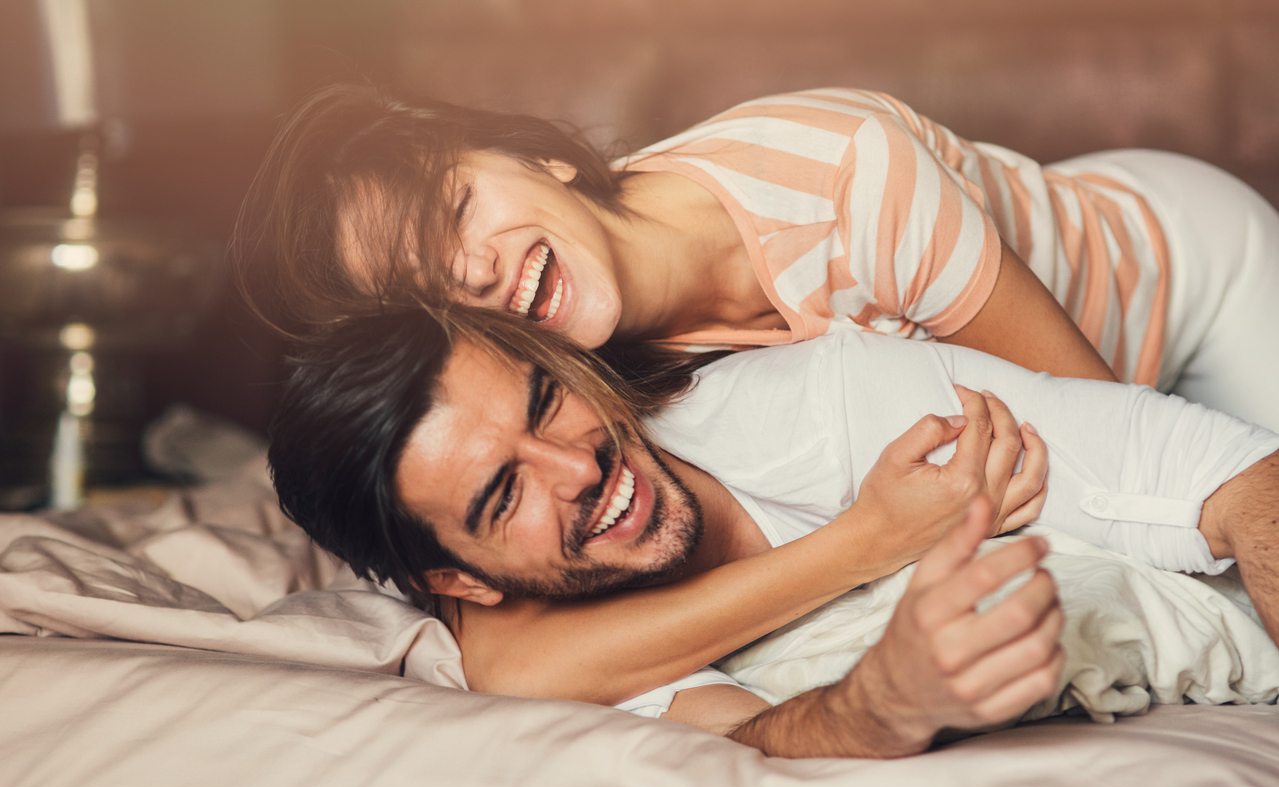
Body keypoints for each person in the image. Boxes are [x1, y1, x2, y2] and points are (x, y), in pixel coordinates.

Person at [267, 306, 1279, 749]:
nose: (581, 468)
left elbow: (1247, 481)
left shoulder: (832, 403)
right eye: (503, 495)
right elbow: (755, 739)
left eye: (543, 401)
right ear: (464, 583)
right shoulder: (555, 660)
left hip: (1190, 270)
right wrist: (883, 698)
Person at [238, 85, 1279, 431]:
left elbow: (1112, 438)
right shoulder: (554, 371)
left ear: (544, 158)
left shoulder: (847, 182)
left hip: (1178, 265)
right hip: (1013, 232)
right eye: (421, 292)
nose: (466, 276)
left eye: (456, 209)